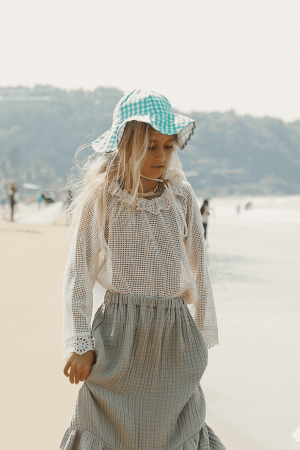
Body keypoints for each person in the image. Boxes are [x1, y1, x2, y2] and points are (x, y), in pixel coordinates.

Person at [59, 90, 226, 450]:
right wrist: (80, 342)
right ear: (125, 145)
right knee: (103, 426)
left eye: (168, 147)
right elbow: (78, 274)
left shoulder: (180, 196)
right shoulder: (102, 197)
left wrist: (202, 334)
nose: (161, 157)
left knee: (175, 432)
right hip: (119, 337)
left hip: (175, 338)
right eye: (150, 146)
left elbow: (201, 266)